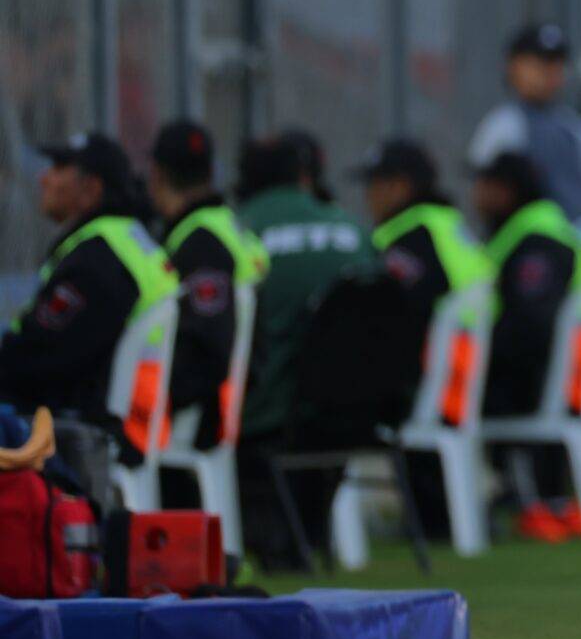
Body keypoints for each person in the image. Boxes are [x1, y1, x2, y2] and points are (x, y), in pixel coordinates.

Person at [0, 134, 176, 455]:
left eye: (58, 168)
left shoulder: (98, 259)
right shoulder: (125, 238)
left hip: (101, 426)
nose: (44, 177)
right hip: (132, 416)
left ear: (91, 189)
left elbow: (41, 358)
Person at [354, 139, 493, 536]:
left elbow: (395, 316)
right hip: (460, 382)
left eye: (374, 184)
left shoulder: (410, 237)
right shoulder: (448, 226)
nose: (367, 196)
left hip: (428, 387)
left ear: (399, 186)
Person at [472, 151, 581, 537]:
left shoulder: (537, 242)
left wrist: (482, 358)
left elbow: (530, 328)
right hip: (551, 381)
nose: (476, 194)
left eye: (484, 185)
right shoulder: (538, 232)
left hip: (531, 384)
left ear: (506, 191)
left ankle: (452, 512)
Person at [235, 131, 375, 446]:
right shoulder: (355, 230)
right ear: (304, 177)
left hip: (266, 420)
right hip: (361, 413)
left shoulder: (239, 231)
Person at [468, 23, 581, 257]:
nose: (547, 73)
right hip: (531, 250)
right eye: (538, 63)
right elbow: (483, 203)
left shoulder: (575, 128)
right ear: (513, 66)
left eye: (555, 64)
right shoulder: (501, 127)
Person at [148, 120, 267, 453]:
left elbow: (206, 350)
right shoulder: (227, 225)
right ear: (211, 173)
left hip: (202, 420)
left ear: (157, 175)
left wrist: (162, 395)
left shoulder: (200, 243)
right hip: (244, 402)